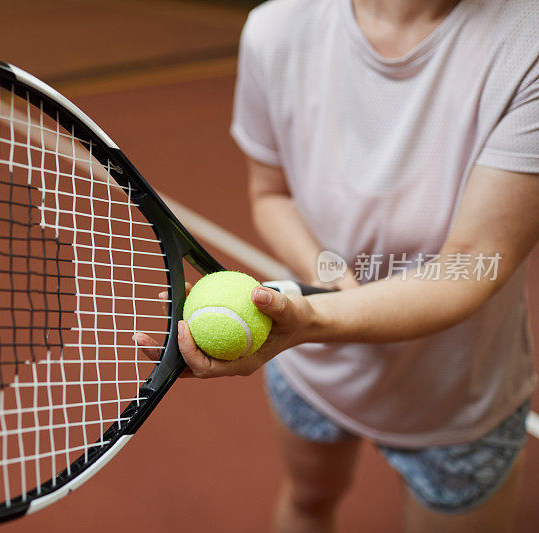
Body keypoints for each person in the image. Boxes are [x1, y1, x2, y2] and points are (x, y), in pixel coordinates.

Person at [136, 0, 539, 530]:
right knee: (307, 503)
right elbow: (271, 193)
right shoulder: (277, 29)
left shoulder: (527, 43)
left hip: (454, 399)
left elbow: (472, 263)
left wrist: (314, 321)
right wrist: (326, 272)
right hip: (313, 372)